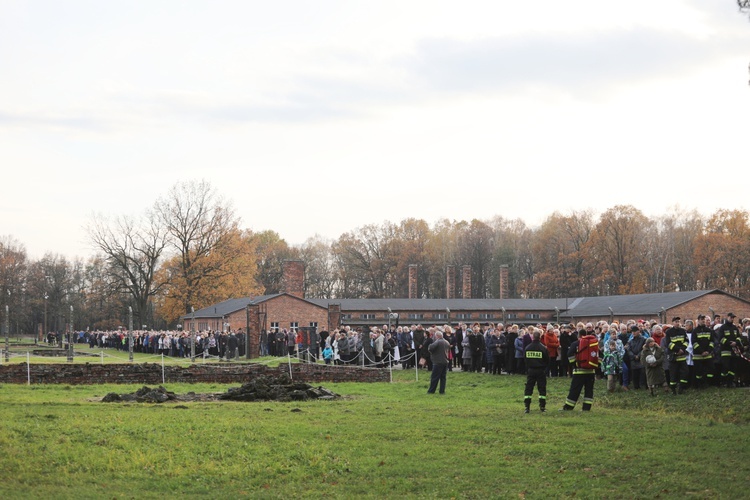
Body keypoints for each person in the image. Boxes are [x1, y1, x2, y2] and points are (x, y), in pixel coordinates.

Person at [561, 329, 598, 411]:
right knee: (589, 390)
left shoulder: (576, 343)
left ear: (579, 336)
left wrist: (574, 364)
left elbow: (569, 353)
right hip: (591, 371)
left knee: (575, 389)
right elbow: (599, 356)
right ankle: (586, 408)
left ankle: (568, 407)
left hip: (579, 371)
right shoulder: (594, 343)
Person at [523, 329, 549, 413]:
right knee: (542, 389)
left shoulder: (528, 348)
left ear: (532, 337)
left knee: (528, 388)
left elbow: (525, 360)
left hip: (531, 370)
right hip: (541, 371)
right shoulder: (543, 348)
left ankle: (527, 407)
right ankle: (542, 407)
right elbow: (547, 360)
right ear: (540, 337)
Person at [664, 317, 689, 394]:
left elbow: (686, 341)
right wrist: (678, 350)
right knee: (673, 375)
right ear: (672, 323)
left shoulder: (683, 331)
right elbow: (669, 344)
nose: (677, 323)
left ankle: (681, 388)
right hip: (674, 357)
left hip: (682, 357)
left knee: (684, 373)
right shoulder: (669, 332)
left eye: (678, 321)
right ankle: (673, 390)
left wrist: (683, 349)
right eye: (676, 321)